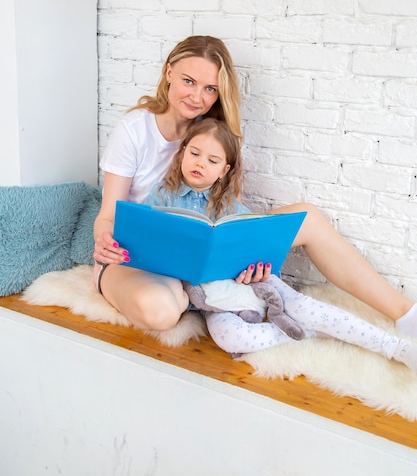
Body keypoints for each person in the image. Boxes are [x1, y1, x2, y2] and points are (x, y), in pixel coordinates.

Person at [93, 35, 417, 339]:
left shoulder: (213, 135)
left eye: (210, 88)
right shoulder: (135, 129)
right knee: (160, 311)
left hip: (199, 256)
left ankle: (406, 314)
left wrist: (246, 259)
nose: (197, 96)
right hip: (138, 259)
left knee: (309, 218)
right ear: (169, 73)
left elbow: (224, 214)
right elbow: (109, 215)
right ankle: (189, 294)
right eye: (188, 81)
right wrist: (105, 239)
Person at [142, 117, 417, 372]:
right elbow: (146, 239)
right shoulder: (161, 195)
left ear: (224, 171)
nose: (200, 163)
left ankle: (397, 347)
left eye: (212, 160)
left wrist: (258, 267)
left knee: (305, 307)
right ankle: (308, 332)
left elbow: (254, 246)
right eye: (194, 154)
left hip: (250, 283)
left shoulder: (231, 207)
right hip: (215, 301)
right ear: (182, 152)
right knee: (231, 338)